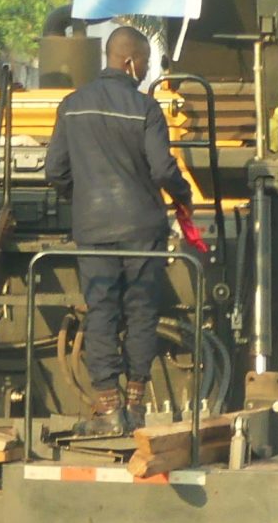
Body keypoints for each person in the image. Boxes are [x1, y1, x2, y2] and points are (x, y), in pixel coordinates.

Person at [43, 22, 191, 438]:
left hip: (93, 227)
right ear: (131, 60)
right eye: (144, 63)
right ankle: (136, 407)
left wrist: (83, 196)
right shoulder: (145, 109)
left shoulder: (72, 105)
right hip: (144, 225)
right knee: (142, 310)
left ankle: (107, 408)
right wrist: (183, 198)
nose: (145, 71)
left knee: (102, 310)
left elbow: (55, 170)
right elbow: (162, 168)